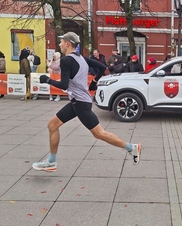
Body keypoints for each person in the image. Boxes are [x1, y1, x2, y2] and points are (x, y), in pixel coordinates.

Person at [33, 32, 141, 171]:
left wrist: (47, 80)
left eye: (61, 42)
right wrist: (94, 82)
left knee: (99, 133)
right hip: (77, 102)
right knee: (52, 125)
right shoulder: (81, 58)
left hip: (80, 103)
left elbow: (64, 85)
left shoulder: (67, 60)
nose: (59, 44)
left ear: (68, 43)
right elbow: (102, 68)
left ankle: (132, 148)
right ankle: (51, 162)